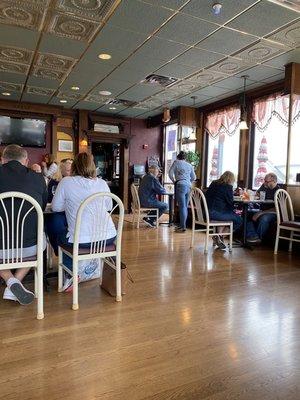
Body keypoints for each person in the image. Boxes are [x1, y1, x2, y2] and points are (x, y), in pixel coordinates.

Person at [0, 144, 47, 305]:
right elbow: (41, 207)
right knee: (42, 238)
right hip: (30, 247)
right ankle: (16, 281)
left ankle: (10, 281)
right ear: (26, 161)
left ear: (2, 160)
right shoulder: (38, 178)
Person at [51, 153, 116, 268]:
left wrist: (71, 205)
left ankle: (71, 274)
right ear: (92, 166)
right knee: (70, 232)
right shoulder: (102, 183)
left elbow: (55, 207)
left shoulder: (66, 181)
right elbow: (109, 207)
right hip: (108, 237)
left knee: (60, 234)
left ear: (74, 166)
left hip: (82, 240)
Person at [206, 171, 260, 249]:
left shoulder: (213, 184)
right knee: (239, 220)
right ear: (231, 179)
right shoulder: (227, 187)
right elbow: (230, 202)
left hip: (207, 212)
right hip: (216, 213)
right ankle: (220, 236)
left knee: (228, 214)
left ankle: (219, 237)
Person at [168, 151, 196, 232]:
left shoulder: (176, 163)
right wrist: (188, 181)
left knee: (182, 206)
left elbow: (170, 173)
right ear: (185, 158)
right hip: (189, 186)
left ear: (178, 157)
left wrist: (174, 181)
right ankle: (182, 226)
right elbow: (194, 177)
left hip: (180, 185)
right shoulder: (189, 165)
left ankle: (182, 227)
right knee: (185, 207)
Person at [251, 172, 280, 240]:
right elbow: (257, 194)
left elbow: (277, 209)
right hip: (262, 210)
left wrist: (261, 213)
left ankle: (258, 239)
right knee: (247, 214)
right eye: (264, 181)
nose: (264, 183)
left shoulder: (278, 191)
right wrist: (255, 194)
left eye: (267, 181)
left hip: (274, 213)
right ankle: (252, 235)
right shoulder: (264, 186)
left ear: (274, 181)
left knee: (264, 218)